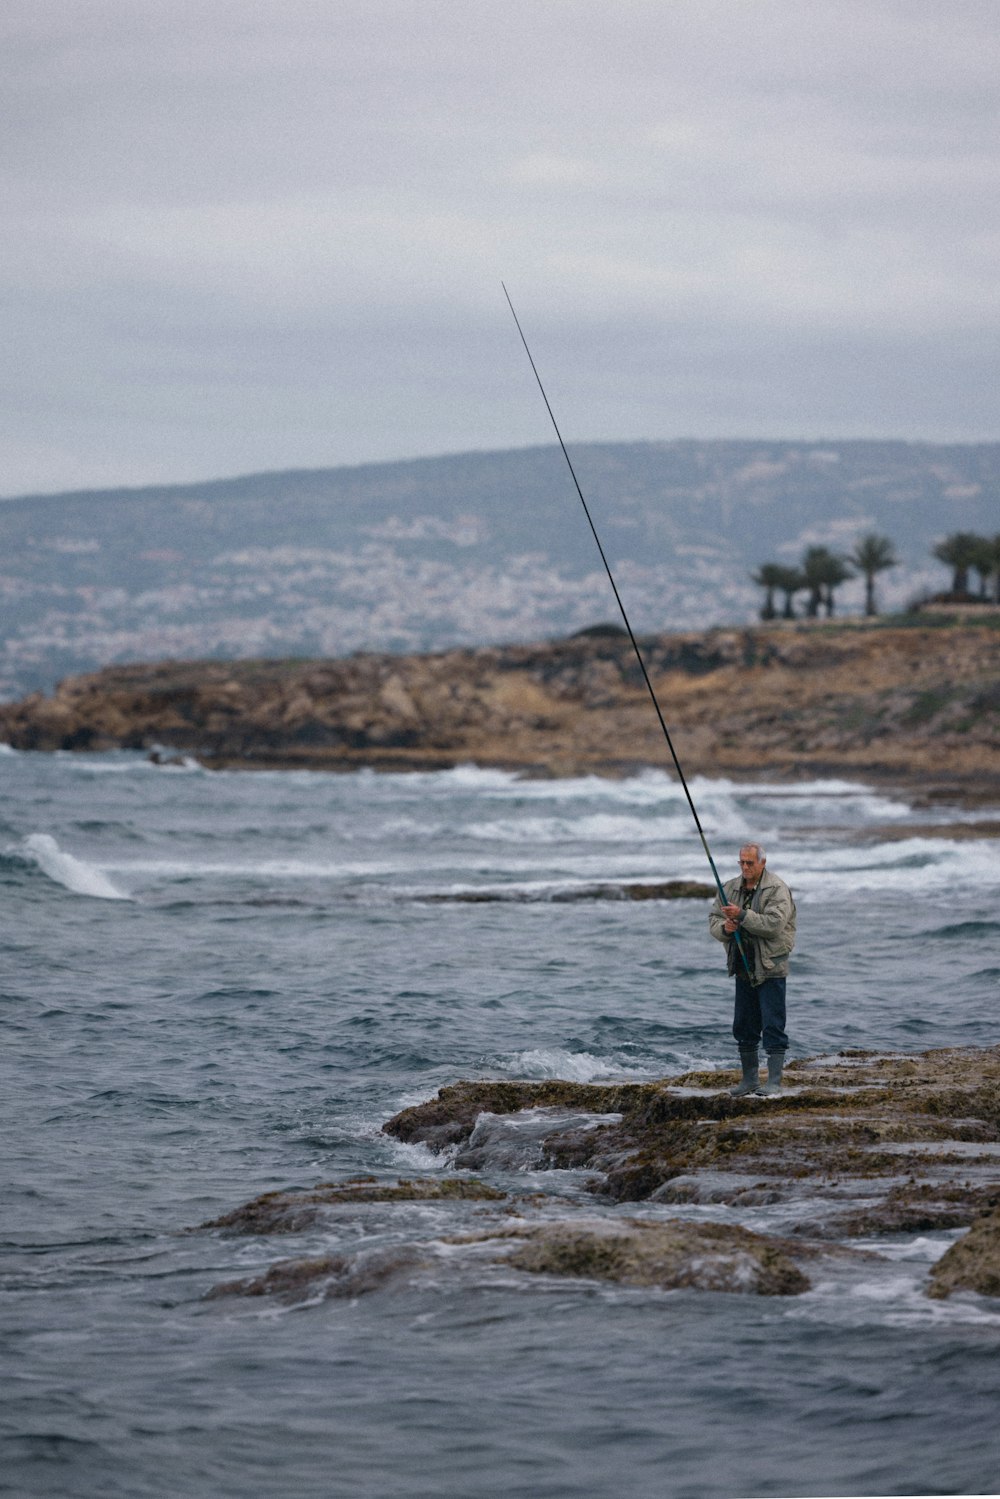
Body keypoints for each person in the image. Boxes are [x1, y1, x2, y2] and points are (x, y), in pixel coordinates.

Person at [708, 843, 796, 1097]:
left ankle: (775, 1082)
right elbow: (713, 919)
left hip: (770, 966)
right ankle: (749, 1081)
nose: (745, 868)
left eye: (750, 863)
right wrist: (726, 929)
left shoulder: (777, 888)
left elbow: (775, 925)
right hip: (742, 965)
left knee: (772, 1025)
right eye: (742, 863)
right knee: (744, 1025)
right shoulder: (729, 888)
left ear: (763, 863)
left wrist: (743, 916)